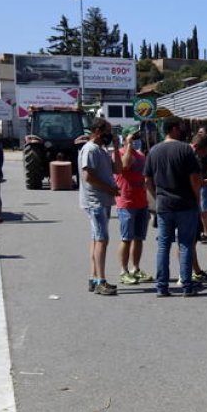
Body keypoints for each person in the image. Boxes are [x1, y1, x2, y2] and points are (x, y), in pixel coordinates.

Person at [144, 117, 202, 298]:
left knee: (163, 246)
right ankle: (187, 286)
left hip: (164, 205)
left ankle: (162, 287)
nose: (184, 130)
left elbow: (147, 180)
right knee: (185, 245)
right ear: (174, 128)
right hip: (186, 204)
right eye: (181, 127)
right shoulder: (185, 149)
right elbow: (194, 178)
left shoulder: (154, 150)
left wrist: (157, 197)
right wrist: (197, 197)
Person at [79, 118, 120, 295]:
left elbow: (118, 169)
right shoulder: (90, 149)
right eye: (107, 131)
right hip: (95, 201)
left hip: (103, 200)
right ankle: (100, 281)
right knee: (102, 239)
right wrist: (110, 189)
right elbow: (88, 176)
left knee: (97, 239)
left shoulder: (102, 150)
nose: (109, 135)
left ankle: (94, 277)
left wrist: (116, 148)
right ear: (97, 131)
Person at [113, 126, 151, 285]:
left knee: (139, 238)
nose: (136, 140)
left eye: (136, 137)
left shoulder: (141, 155)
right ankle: (124, 271)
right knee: (126, 238)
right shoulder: (119, 154)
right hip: (126, 202)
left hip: (141, 201)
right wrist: (128, 144)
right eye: (133, 137)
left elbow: (146, 177)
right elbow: (125, 166)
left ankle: (135, 268)